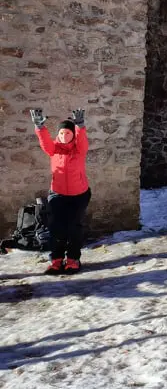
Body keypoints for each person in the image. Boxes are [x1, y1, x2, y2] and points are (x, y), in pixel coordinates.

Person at [30, 108, 92, 275]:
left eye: (68, 133)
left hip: (78, 194)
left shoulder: (79, 150)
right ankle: (56, 260)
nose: (65, 136)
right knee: (56, 228)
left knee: (73, 227)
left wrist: (80, 126)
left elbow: (83, 141)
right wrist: (39, 127)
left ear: (73, 135)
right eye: (62, 133)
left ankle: (73, 259)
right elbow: (45, 142)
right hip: (57, 194)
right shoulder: (54, 149)